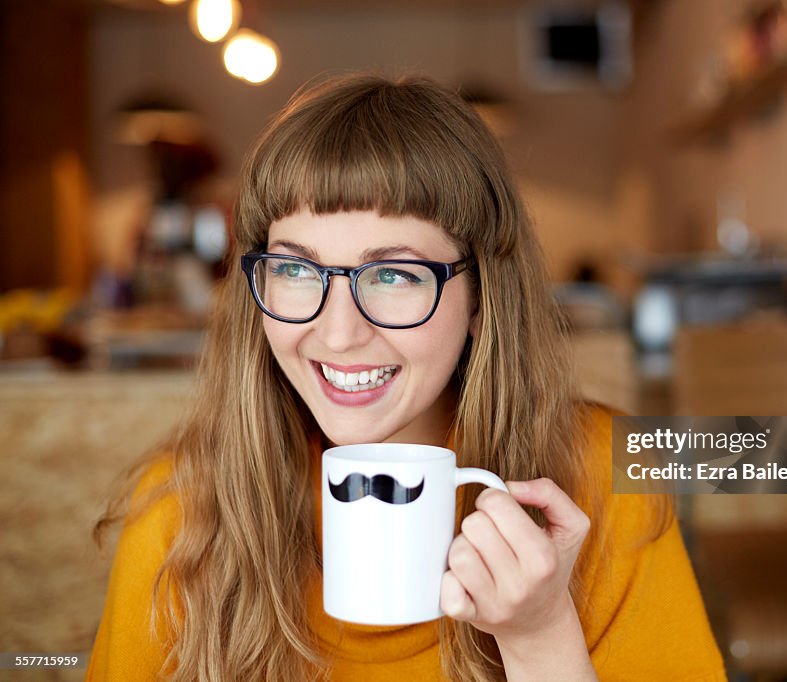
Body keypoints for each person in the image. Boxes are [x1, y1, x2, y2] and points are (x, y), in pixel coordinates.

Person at [87, 74, 726, 681]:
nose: (337, 334)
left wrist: (539, 637)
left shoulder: (609, 475)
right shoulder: (180, 510)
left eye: (394, 275)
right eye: (297, 270)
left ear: (482, 296)